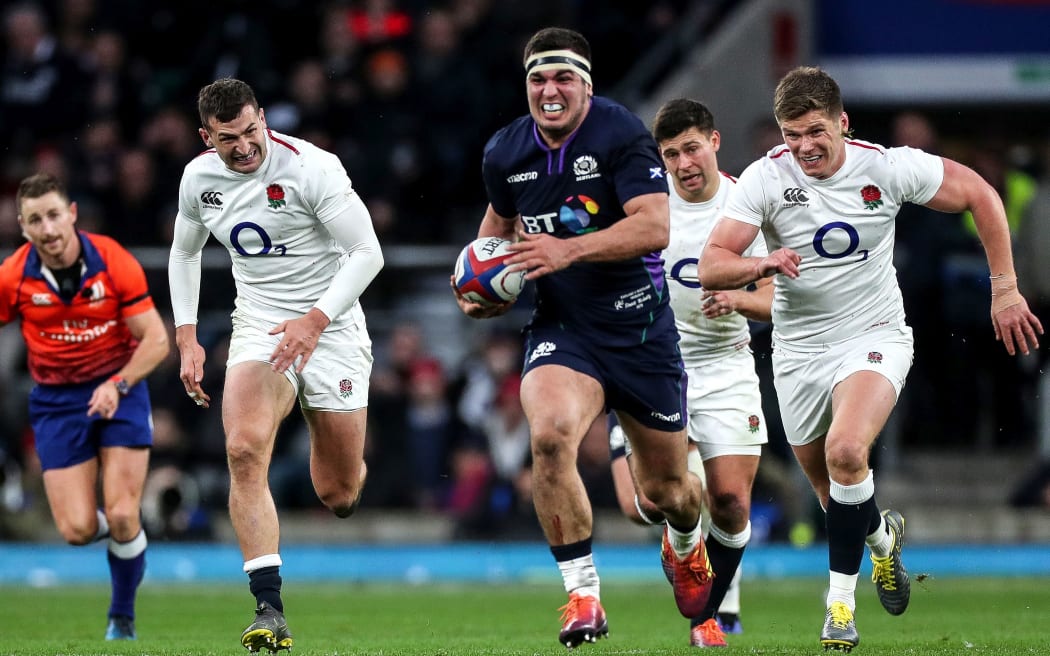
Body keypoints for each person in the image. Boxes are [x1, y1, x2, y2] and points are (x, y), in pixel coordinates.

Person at [697, 66, 1044, 652]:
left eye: (814, 131)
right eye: (791, 134)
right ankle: (883, 542)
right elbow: (712, 264)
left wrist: (1005, 288)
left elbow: (981, 195)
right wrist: (761, 265)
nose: (803, 146)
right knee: (836, 495)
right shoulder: (764, 178)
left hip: (873, 334)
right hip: (797, 349)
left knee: (846, 452)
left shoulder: (885, 167)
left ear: (842, 123)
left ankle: (839, 610)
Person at [451, 27, 712, 649]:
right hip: (565, 329)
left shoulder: (621, 135)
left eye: (563, 78)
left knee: (668, 493)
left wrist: (566, 251)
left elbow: (653, 227)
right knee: (548, 437)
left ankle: (685, 545)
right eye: (538, 78)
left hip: (640, 329)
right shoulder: (503, 154)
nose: (550, 90)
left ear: (586, 86)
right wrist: (482, 287)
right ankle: (582, 595)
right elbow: (495, 237)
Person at [167, 77, 384, 653]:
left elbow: (369, 254)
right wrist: (187, 338)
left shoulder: (312, 168)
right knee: (243, 448)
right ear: (205, 136)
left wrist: (313, 323)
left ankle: (336, 442)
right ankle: (270, 608)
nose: (242, 148)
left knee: (338, 494)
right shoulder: (198, 178)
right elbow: (186, 252)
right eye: (226, 139)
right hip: (261, 324)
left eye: (249, 131)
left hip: (330, 325)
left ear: (263, 117)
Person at [607, 98, 773, 647]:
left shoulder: (747, 204)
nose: (683, 163)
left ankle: (710, 613)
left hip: (725, 366)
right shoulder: (646, 208)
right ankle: (690, 561)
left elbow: (779, 298)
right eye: (671, 153)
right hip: (656, 367)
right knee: (649, 505)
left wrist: (740, 301)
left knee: (731, 504)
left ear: (715, 141)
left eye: (692, 148)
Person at [0, 172, 170, 640]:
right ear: (23, 226)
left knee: (120, 512)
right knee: (76, 530)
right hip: (56, 401)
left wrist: (118, 382)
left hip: (122, 388)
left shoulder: (113, 262)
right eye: (36, 220)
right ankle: (130, 539)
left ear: (71, 214)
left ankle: (122, 617)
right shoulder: (13, 276)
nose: (49, 229)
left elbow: (156, 341)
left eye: (54, 215)